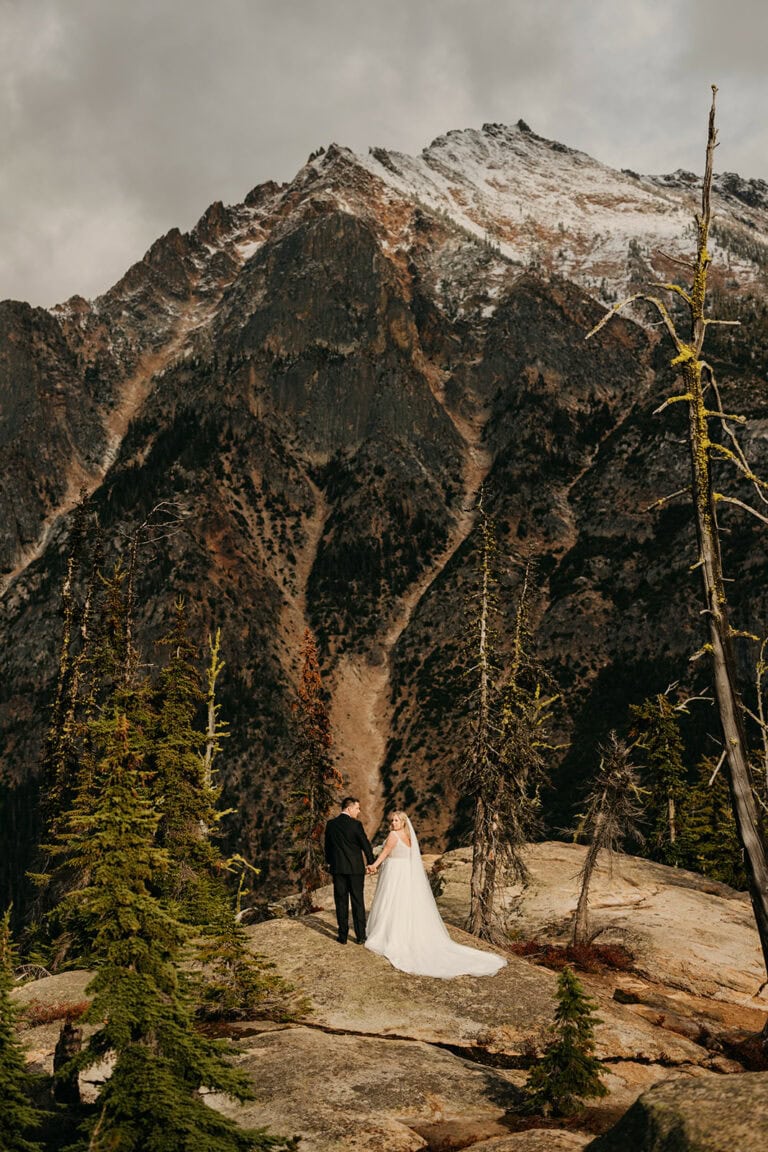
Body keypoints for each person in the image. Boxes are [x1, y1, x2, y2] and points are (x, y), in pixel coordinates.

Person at [365, 811, 506, 978]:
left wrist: (374, 865)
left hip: (394, 872)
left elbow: (385, 853)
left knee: (390, 901)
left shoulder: (393, 835)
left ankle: (389, 933)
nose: (393, 823)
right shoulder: (409, 838)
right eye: (393, 820)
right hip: (404, 874)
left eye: (397, 820)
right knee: (401, 903)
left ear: (403, 823)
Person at [324, 796, 375, 944]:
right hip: (355, 869)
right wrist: (371, 863)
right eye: (357, 808)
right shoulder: (356, 825)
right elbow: (365, 845)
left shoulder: (331, 824)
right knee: (358, 901)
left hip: (338, 869)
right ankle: (360, 936)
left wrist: (329, 863)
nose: (359, 812)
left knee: (341, 902)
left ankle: (342, 936)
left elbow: (328, 848)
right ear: (349, 808)